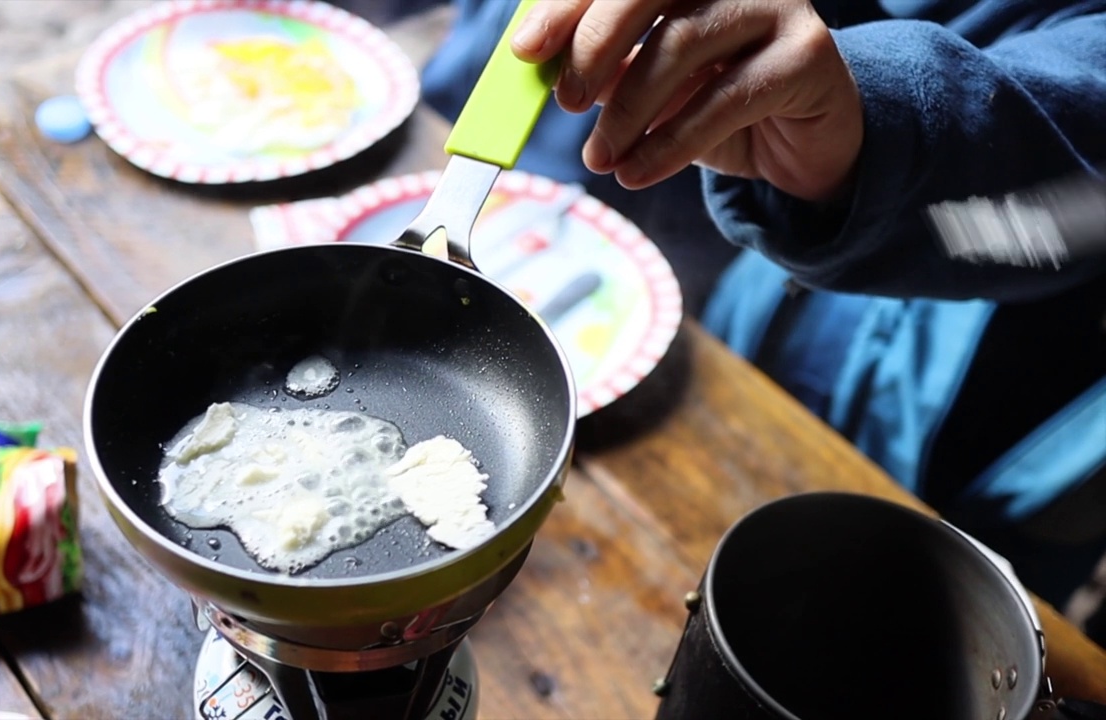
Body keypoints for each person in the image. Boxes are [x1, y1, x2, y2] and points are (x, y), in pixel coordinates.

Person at [412, 0, 1106, 613]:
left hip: (983, 403)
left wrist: (877, 122)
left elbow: (1075, 200)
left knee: (901, 609)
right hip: (749, 308)